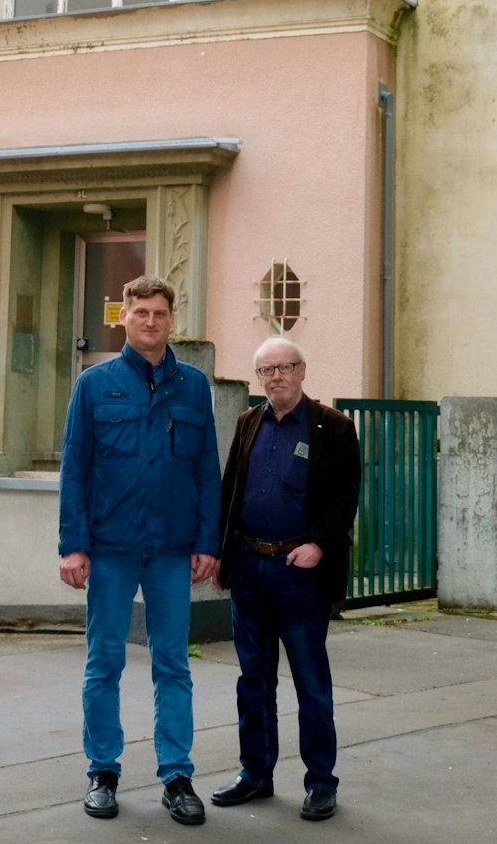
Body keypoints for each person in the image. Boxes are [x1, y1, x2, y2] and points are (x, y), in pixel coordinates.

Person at [57, 274, 222, 826]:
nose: (150, 321)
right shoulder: (94, 384)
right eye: (140, 312)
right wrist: (73, 545)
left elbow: (206, 471)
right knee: (103, 662)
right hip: (109, 548)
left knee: (172, 664)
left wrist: (207, 541)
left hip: (173, 549)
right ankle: (102, 771)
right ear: (123, 318)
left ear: (172, 320)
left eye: (159, 313)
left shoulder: (194, 387)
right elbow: (74, 469)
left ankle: (176, 775)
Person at [209, 336, 363, 822]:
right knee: (252, 679)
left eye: (285, 367)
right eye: (266, 370)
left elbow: (345, 496)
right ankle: (256, 773)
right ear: (258, 378)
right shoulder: (247, 423)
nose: (276, 376)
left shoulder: (333, 427)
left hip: (300, 573)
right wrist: (222, 556)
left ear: (302, 370)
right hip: (251, 569)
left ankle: (321, 782)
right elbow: (231, 491)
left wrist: (318, 543)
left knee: (310, 682)